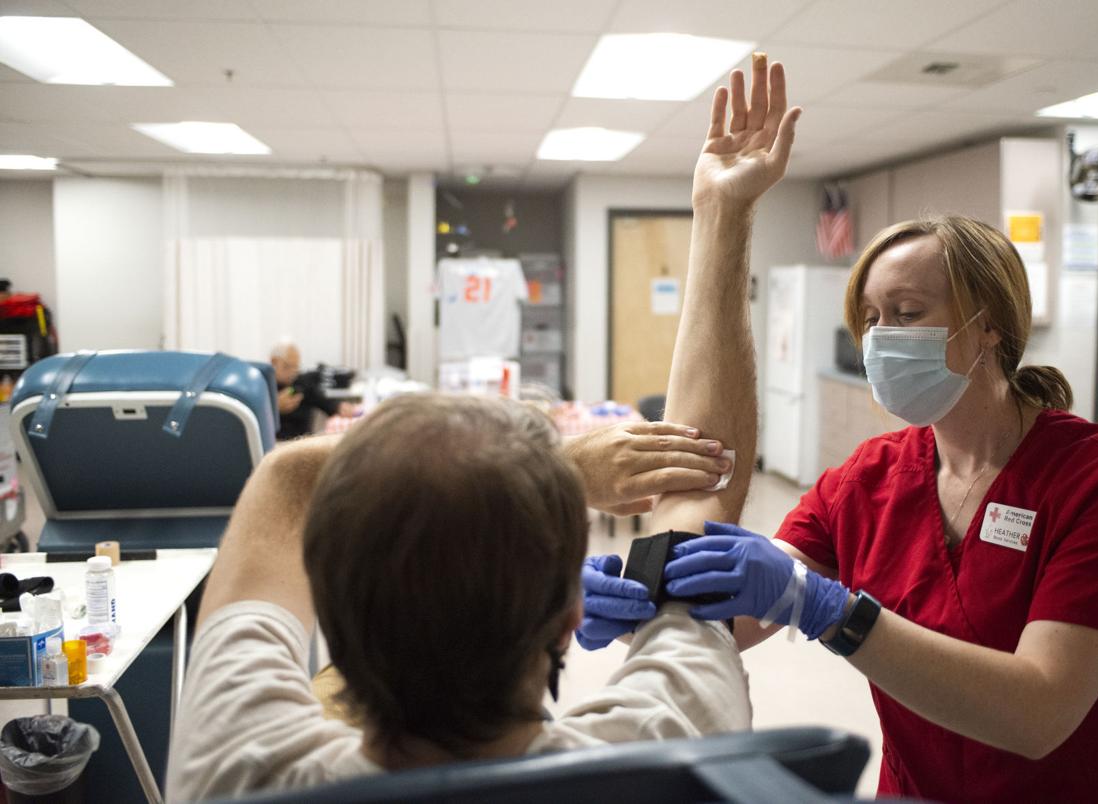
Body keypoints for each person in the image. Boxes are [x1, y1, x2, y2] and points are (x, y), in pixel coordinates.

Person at [165, 53, 800, 801]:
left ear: (329, 620)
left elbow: (282, 482)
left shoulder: (239, 769)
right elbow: (698, 474)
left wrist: (554, 467)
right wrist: (723, 211)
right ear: (571, 618)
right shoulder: (665, 751)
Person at [584, 214, 1098, 801]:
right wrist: (635, 603)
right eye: (869, 319)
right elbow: (734, 620)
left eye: (907, 313)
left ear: (991, 325)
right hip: (919, 790)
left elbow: (1039, 713)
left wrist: (833, 611)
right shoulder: (869, 479)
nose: (881, 337)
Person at [270, 340, 357, 440]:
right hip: (275, 445)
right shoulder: (263, 386)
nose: (292, 373)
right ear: (274, 361)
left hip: (302, 442)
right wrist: (275, 408)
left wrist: (339, 406)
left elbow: (324, 401)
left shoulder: (302, 382)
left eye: (296, 367)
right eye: (287, 366)